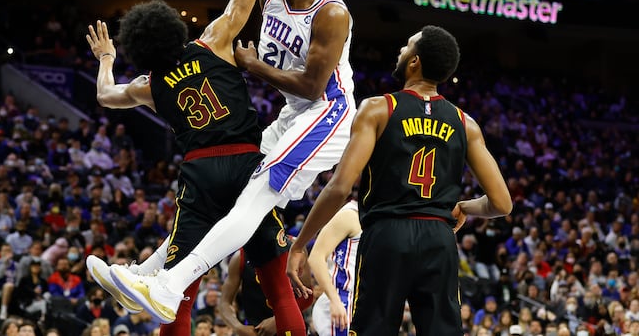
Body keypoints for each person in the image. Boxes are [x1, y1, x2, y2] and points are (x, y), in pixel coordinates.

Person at [113, 0, 354, 329]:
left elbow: (312, 85)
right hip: (292, 114)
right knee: (243, 195)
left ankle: (170, 281)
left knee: (254, 198)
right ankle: (149, 272)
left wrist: (252, 65)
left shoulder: (332, 14)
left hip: (327, 112)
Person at [286, 25, 513, 336]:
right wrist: (464, 206)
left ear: (414, 61)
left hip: (387, 234)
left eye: (406, 46)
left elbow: (340, 186)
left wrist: (300, 244)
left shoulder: (379, 108)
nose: (400, 50)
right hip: (439, 238)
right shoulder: (466, 123)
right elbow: (501, 203)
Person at [218, 244, 313, 336]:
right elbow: (224, 302)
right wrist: (238, 327)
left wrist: (278, 320)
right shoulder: (240, 257)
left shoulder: (294, 247)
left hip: (291, 324)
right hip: (256, 330)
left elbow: (307, 296)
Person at [306, 200, 360, 336]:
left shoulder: (381, 218)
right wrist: (334, 300)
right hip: (342, 302)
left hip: (364, 303)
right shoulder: (351, 215)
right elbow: (316, 257)